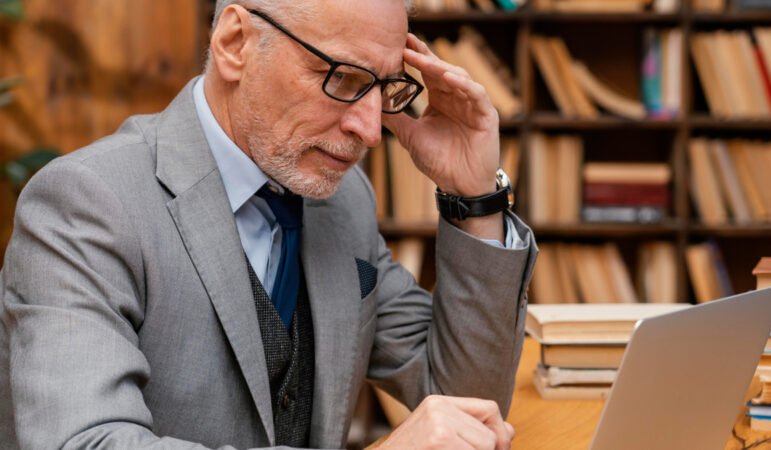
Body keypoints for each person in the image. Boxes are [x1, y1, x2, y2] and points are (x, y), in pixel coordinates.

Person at [0, 0, 536, 448]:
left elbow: (471, 404)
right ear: (235, 43)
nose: (371, 130)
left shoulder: (343, 201)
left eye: (387, 87)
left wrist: (476, 195)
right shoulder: (86, 200)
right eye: (344, 76)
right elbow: (86, 442)